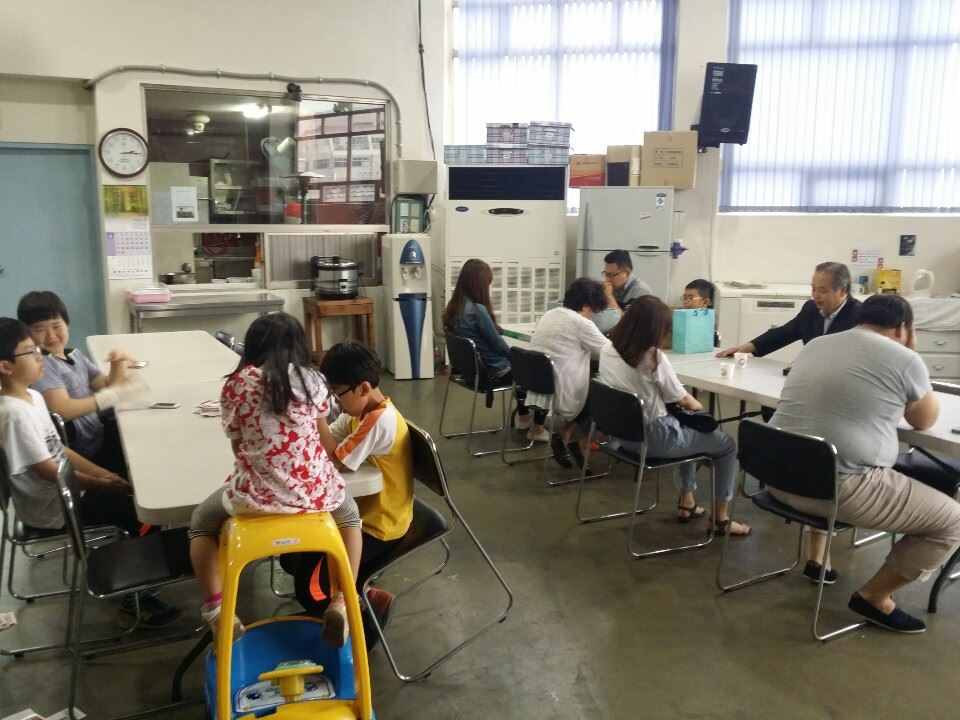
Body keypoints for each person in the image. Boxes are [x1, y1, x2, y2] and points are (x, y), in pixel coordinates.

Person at [769, 294, 960, 633]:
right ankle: (875, 597)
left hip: (778, 477)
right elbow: (924, 420)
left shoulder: (817, 345)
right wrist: (911, 352)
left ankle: (820, 557)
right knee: (953, 521)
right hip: (836, 489)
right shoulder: (905, 358)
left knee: (833, 446)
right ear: (903, 328)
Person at [187, 313, 363, 647]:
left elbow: (239, 446)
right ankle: (343, 600)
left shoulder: (237, 383)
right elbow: (324, 439)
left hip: (254, 499)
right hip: (313, 495)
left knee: (200, 524)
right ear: (300, 347)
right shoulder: (314, 380)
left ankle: (216, 611)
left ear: (253, 347)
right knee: (350, 516)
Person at [0, 318, 179, 629]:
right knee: (138, 509)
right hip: (55, 510)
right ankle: (135, 600)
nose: (40, 355)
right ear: (5, 366)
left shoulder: (33, 398)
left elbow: (59, 449)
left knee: (132, 488)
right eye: (30, 352)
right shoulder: (13, 413)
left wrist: (104, 475)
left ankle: (135, 581)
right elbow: (49, 471)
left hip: (65, 493)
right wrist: (101, 484)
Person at [291, 341, 414, 641]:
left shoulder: (378, 421)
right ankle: (362, 593)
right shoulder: (359, 411)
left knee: (313, 591)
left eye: (337, 394)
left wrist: (317, 415)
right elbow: (328, 441)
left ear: (362, 388)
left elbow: (334, 459)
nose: (335, 402)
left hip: (379, 525)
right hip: (361, 514)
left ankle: (367, 620)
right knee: (296, 558)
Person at [598, 297, 751, 535]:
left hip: (624, 436)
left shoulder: (607, 349)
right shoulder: (653, 358)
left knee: (691, 429)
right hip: (656, 438)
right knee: (726, 445)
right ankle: (721, 519)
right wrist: (701, 409)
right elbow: (685, 400)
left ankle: (687, 501)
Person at [17, 291, 141, 476]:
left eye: (56, 326)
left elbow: (107, 386)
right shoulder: (44, 365)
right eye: (40, 329)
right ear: (27, 335)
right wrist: (110, 397)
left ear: (67, 324)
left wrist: (117, 362)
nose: (51, 335)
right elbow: (62, 410)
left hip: (97, 434)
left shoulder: (74, 354)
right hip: (86, 450)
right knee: (138, 456)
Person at [442, 258, 548, 442]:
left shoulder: (454, 308)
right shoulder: (477, 310)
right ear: (480, 285)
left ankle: (524, 418)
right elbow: (498, 346)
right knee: (541, 371)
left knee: (521, 369)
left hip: (472, 372)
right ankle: (536, 429)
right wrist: (520, 358)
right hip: (494, 371)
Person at [526, 278, 609, 469]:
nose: (593, 316)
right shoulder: (581, 323)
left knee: (593, 380)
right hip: (562, 389)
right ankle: (573, 438)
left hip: (539, 385)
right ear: (586, 305)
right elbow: (609, 352)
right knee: (604, 390)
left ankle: (564, 435)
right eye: (594, 311)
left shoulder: (551, 313)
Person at [717, 262, 861, 358]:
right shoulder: (810, 309)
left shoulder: (859, 317)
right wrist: (745, 348)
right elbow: (784, 333)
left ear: (843, 290)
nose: (816, 295)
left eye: (822, 290)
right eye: (813, 289)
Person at [592, 250, 653, 334]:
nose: (607, 279)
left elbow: (626, 322)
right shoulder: (612, 287)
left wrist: (609, 296)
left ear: (627, 273)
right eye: (606, 274)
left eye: (612, 275)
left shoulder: (640, 291)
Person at [682, 279, 719, 348]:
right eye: (684, 298)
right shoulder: (681, 317)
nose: (685, 302)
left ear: (705, 302)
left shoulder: (711, 322)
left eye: (690, 298)